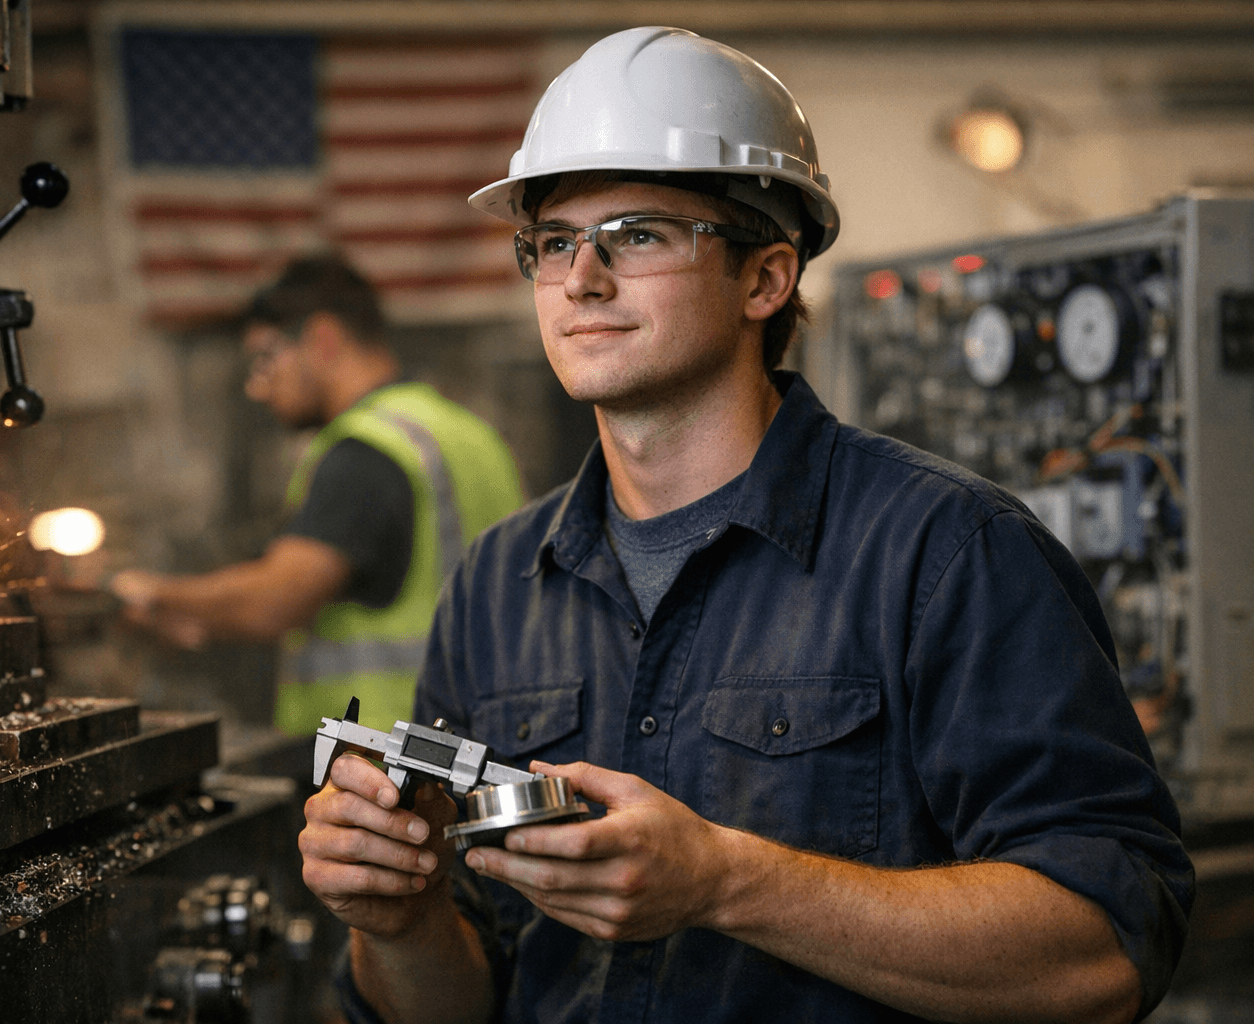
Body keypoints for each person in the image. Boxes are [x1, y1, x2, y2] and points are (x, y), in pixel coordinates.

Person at [298, 26, 1194, 1024]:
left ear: (766, 279)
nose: (581, 280)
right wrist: (402, 917)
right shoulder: (499, 582)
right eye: (553, 242)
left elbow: (1108, 950)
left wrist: (729, 881)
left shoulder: (948, 555)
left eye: (636, 233)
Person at [111, 257, 524, 735]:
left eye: (266, 356)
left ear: (323, 339)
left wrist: (150, 592)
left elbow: (277, 598)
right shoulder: (467, 434)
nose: (257, 387)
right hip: (480, 738)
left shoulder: (366, 451)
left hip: (387, 762)